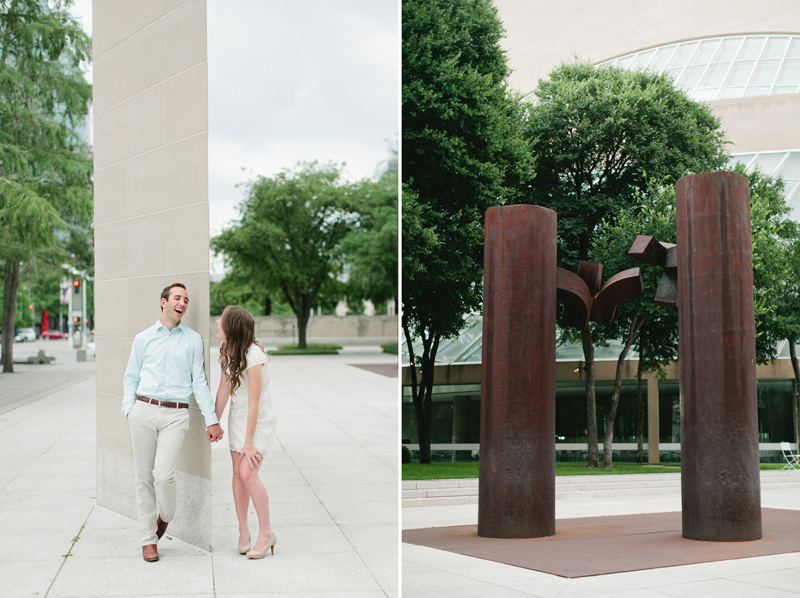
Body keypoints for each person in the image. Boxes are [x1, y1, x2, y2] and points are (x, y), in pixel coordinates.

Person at [122, 283, 223, 562]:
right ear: (163, 302)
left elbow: (199, 383)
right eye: (178, 298)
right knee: (143, 477)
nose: (183, 303)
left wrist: (211, 420)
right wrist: (129, 409)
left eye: (187, 300)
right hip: (143, 410)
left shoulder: (192, 339)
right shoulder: (143, 338)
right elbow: (131, 377)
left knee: (163, 475)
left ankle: (165, 516)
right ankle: (147, 540)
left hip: (176, 415)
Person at [214, 305, 277, 559]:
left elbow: (255, 403)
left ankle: (266, 533)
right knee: (237, 475)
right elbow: (223, 389)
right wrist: (214, 423)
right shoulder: (226, 352)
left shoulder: (255, 357)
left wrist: (249, 443)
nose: (217, 321)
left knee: (247, 473)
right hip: (238, 418)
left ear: (232, 327)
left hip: (259, 420)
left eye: (222, 319)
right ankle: (244, 531)